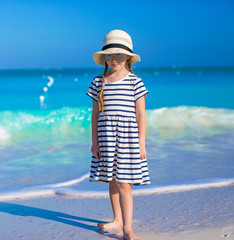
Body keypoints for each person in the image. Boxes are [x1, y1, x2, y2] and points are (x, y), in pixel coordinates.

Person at [87, 30, 150, 240]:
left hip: (128, 138)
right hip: (106, 138)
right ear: (104, 57)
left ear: (128, 58)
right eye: (110, 55)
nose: (114, 59)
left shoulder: (135, 82)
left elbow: (141, 114)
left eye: (119, 55)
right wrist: (94, 142)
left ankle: (128, 229)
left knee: (124, 183)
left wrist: (142, 143)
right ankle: (117, 220)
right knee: (112, 180)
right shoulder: (99, 82)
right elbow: (95, 114)